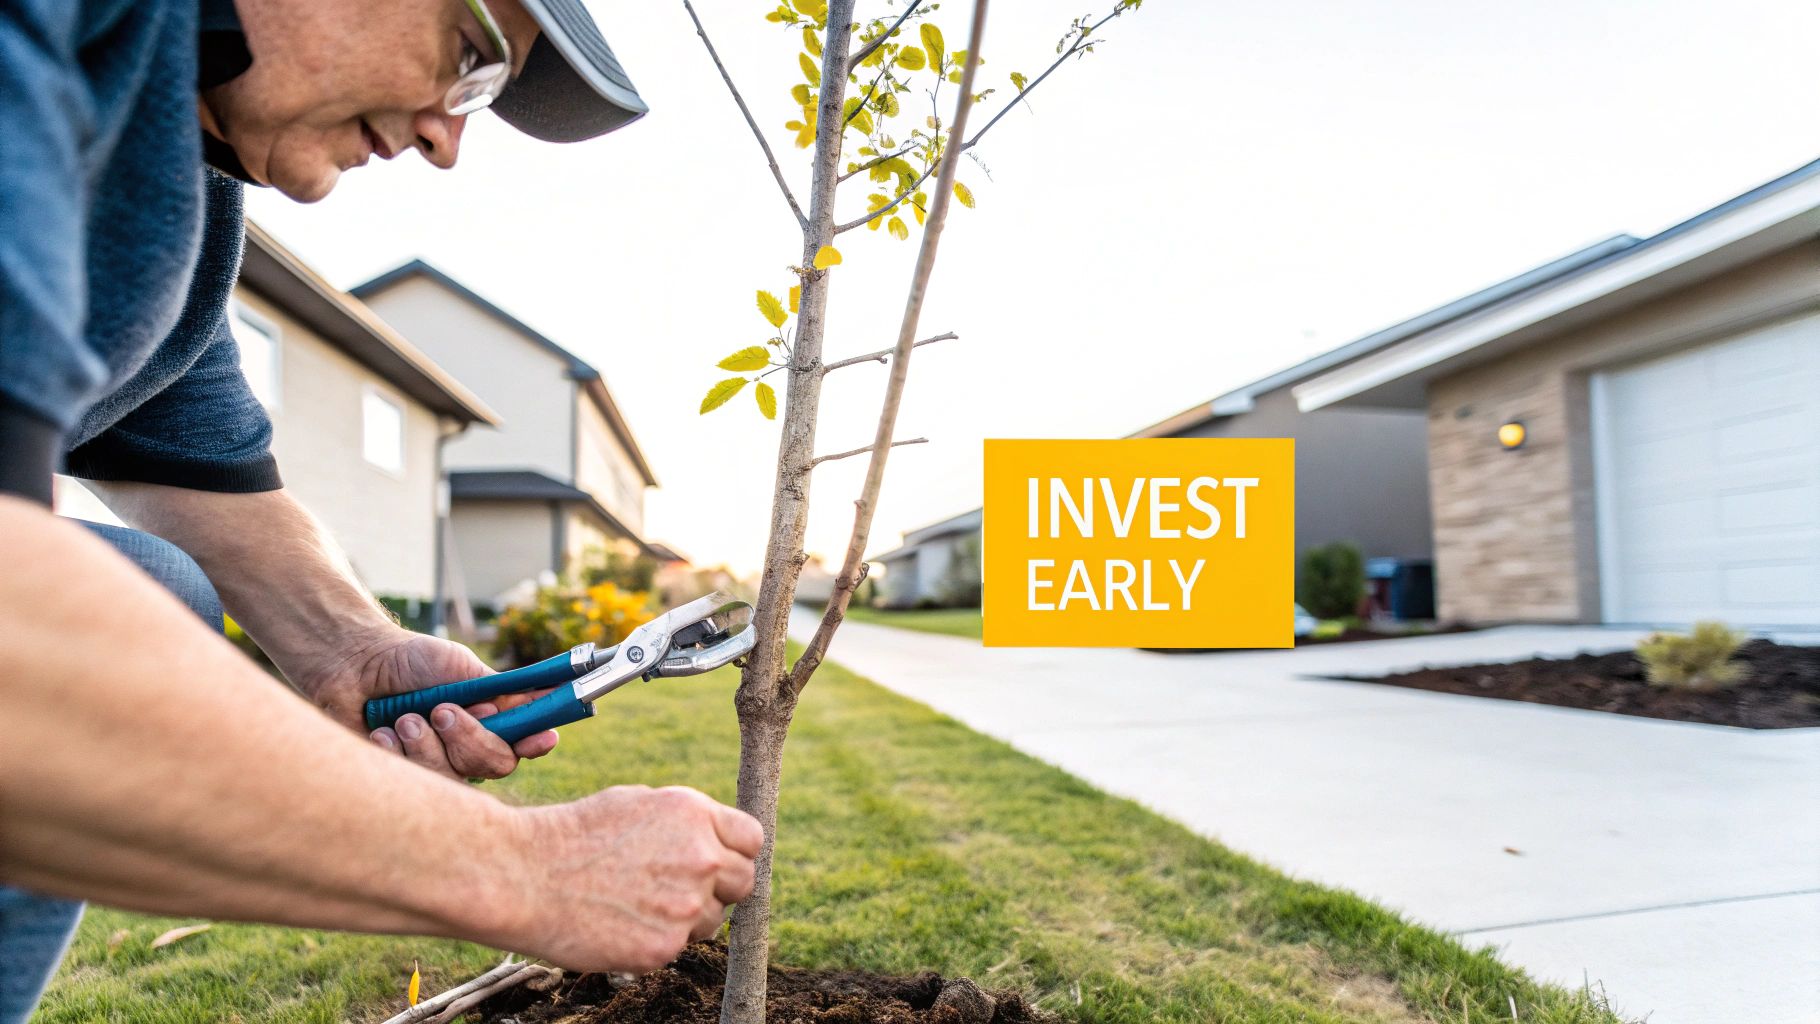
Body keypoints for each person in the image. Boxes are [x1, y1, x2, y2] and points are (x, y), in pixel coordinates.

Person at [0, 0, 763, 1019]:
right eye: (469, 57)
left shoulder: (170, 186)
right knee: (132, 593)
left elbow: (199, 476)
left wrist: (346, 648)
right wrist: (533, 872)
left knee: (168, 579)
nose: (447, 139)